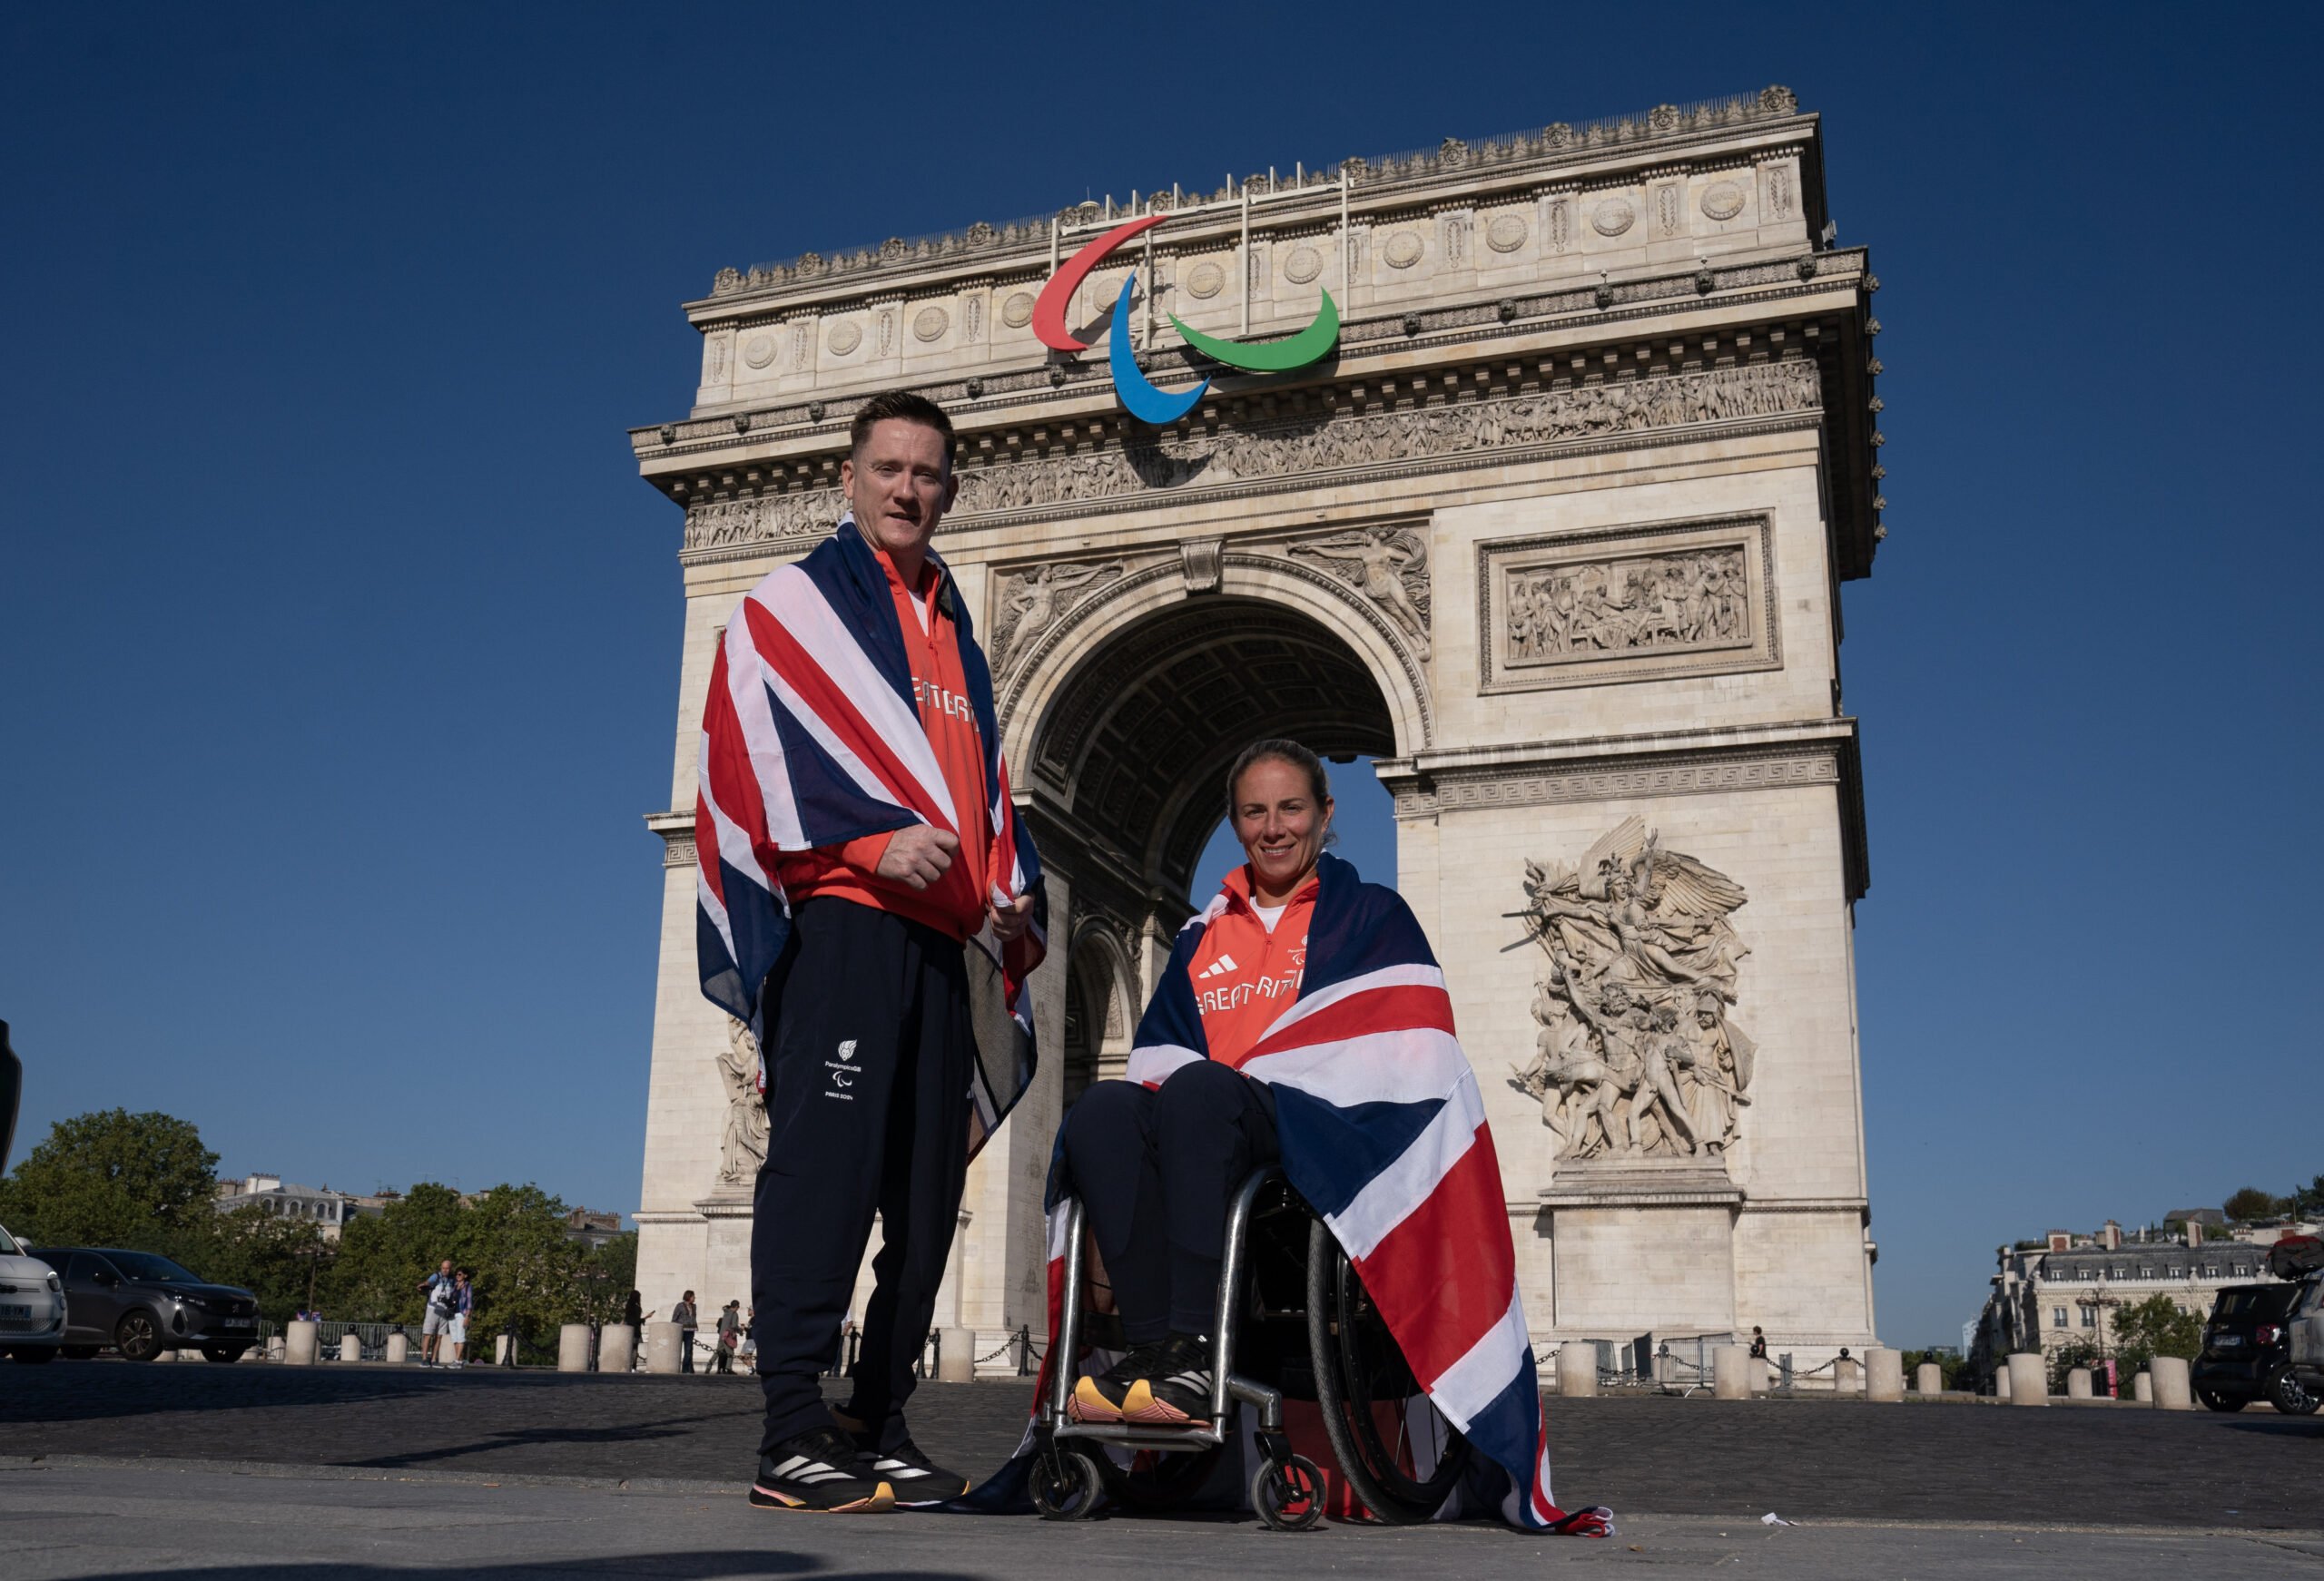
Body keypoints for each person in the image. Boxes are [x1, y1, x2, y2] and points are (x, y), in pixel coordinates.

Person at [1040, 739, 1609, 1536]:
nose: (1274, 828)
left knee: (1204, 1091)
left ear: (1325, 815)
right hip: (1208, 1126)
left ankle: (1197, 1347)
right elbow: (1157, 1053)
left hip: (1311, 1132)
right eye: (1254, 812)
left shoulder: (1375, 916)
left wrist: (1262, 1073)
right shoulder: (1204, 935)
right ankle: (1158, 1355)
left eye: (1291, 808)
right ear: (1234, 823)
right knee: (1100, 1113)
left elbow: (1410, 1043)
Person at [694, 390, 1046, 1514]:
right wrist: (859, 836)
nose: (907, 489)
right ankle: (790, 1427)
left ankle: (874, 1415)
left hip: (943, 940)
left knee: (927, 1192)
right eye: (888, 467)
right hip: (846, 925)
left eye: (928, 473)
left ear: (949, 488)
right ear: (846, 478)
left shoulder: (958, 628)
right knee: (828, 1174)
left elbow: (982, 781)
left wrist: (1014, 888)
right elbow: (748, 732)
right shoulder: (791, 605)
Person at [417, 1259, 457, 1367]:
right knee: (428, 1334)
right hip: (432, 1309)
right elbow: (427, 1283)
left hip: (444, 1310)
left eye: (447, 1268)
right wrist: (421, 1286)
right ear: (441, 1268)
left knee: (439, 1336)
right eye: (443, 1268)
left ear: (450, 1269)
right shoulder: (436, 1276)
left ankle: (434, 1359)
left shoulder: (452, 1279)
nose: (445, 1270)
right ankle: (424, 1359)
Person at [444, 1270, 473, 1370]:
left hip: (461, 1313)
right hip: (452, 1314)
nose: (457, 1276)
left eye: (460, 1274)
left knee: (461, 1337)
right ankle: (459, 1360)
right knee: (455, 1338)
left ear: (465, 1275)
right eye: (456, 1274)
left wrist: (467, 1317)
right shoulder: (455, 1286)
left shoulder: (468, 1286)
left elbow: (469, 1302)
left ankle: (457, 1361)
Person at [673, 1291, 698, 1374]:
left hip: (690, 1331)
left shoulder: (694, 1306)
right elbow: (674, 1318)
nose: (694, 1298)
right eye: (693, 1296)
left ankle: (686, 1369)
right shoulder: (680, 1306)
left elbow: (694, 1317)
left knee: (689, 1350)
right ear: (689, 1297)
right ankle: (683, 1368)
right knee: (678, 1350)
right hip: (681, 1330)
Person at [715, 1300, 741, 1375]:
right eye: (738, 1307)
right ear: (736, 1306)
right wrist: (740, 1330)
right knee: (730, 1352)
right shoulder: (734, 1314)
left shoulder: (726, 1312)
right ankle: (728, 1368)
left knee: (718, 1352)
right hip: (728, 1336)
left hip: (721, 1335)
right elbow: (734, 1326)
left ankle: (710, 1366)